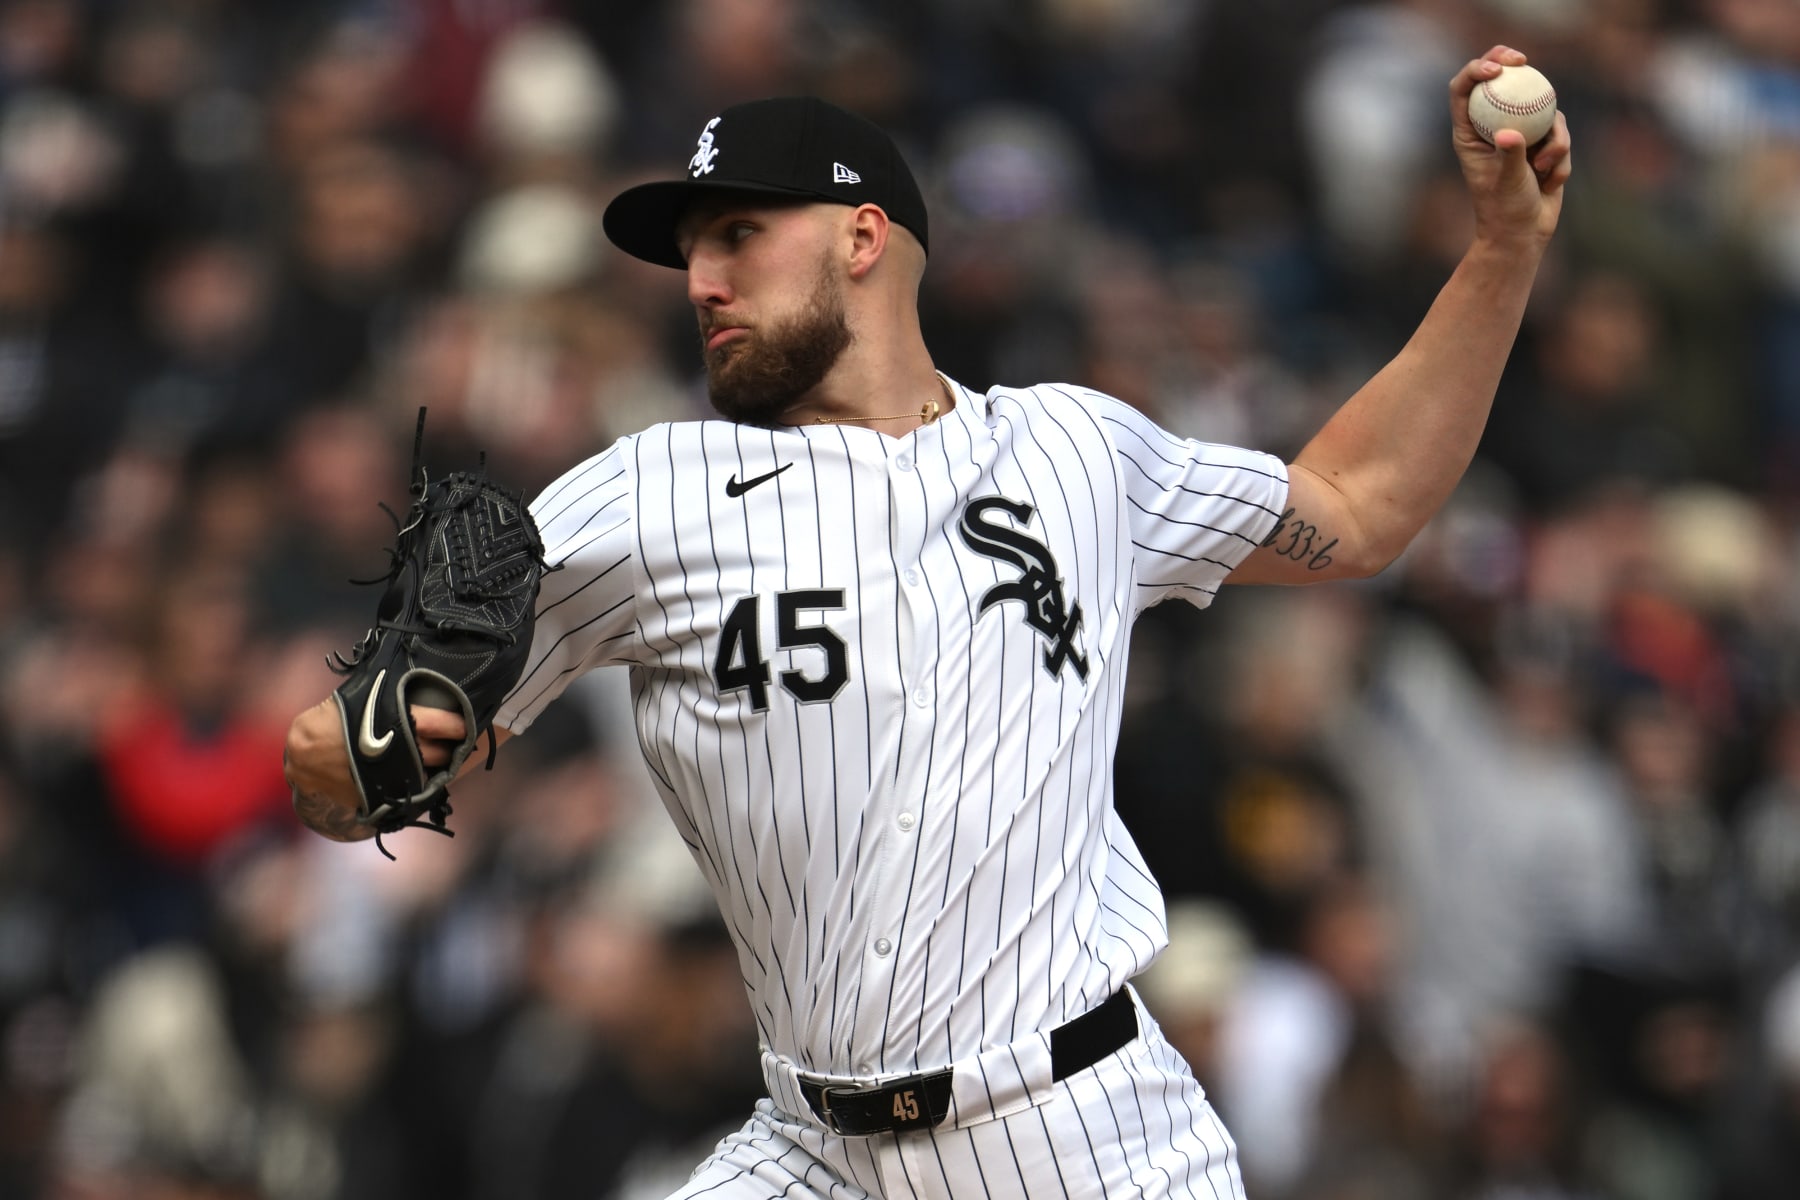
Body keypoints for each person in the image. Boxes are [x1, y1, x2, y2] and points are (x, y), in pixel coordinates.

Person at [285, 46, 1571, 1199]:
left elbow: (1358, 506)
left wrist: (1504, 250)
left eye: (737, 233)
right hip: (810, 1149)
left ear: (861, 235)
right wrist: (357, 754)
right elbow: (351, 764)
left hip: (1089, 1139)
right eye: (689, 251)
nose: (699, 279)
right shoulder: (643, 492)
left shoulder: (1078, 453)